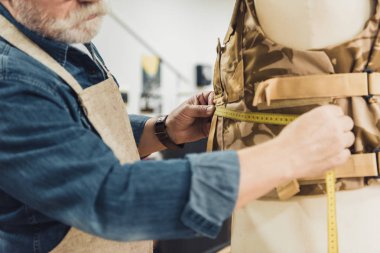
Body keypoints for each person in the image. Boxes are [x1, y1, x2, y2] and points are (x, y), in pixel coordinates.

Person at [0, 0, 354, 252]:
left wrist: (162, 131)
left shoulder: (57, 35)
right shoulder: (10, 80)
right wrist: (287, 156)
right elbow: (113, 200)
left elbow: (74, 133)